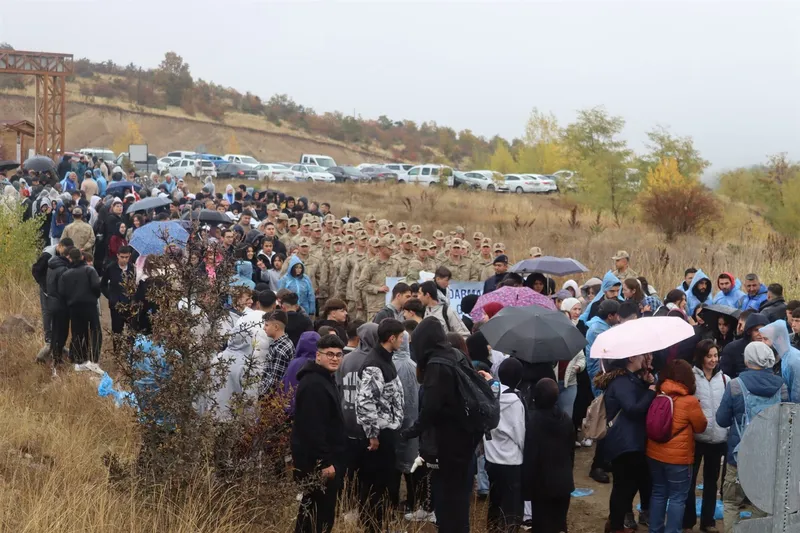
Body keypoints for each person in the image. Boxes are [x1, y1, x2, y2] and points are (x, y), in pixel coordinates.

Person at [403, 317, 484, 533]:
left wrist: (410, 431)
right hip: (465, 438)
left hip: (448, 443)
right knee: (458, 501)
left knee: (446, 501)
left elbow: (431, 408)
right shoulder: (456, 355)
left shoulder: (437, 364)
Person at [716, 342, 788, 532]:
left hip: (738, 456)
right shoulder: (781, 386)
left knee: (731, 502)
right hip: (769, 457)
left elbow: (721, 420)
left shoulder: (735, 385)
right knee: (761, 505)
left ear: (748, 360)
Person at [291, 334, 347, 533]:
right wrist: (324, 462)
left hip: (325, 459)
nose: (334, 358)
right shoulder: (314, 384)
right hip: (318, 463)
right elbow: (312, 428)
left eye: (338, 355)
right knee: (317, 516)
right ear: (318, 356)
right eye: (329, 354)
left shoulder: (324, 379)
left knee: (315, 512)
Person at [595, 354, 656, 533]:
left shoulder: (630, 379)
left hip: (631, 440)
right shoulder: (621, 382)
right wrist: (651, 391)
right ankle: (615, 526)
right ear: (630, 359)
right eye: (640, 355)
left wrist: (645, 383)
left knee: (629, 485)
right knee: (623, 487)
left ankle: (615, 523)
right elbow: (633, 408)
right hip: (623, 442)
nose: (643, 358)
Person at [355, 319, 405, 533]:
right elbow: (365, 401)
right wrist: (373, 435)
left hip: (387, 432)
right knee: (375, 485)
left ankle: (378, 524)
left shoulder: (385, 359)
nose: (403, 341)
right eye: (401, 337)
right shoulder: (375, 363)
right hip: (379, 436)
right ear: (391, 338)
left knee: (383, 484)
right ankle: (371, 526)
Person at [646, 359, 708, 533]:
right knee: (677, 497)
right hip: (679, 458)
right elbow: (701, 427)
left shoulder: (658, 395)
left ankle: (655, 529)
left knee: (658, 492)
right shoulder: (690, 401)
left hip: (654, 453)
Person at [682, 340, 729, 533]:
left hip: (718, 438)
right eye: (709, 356)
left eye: (715, 356)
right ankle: (687, 521)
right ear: (701, 356)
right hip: (696, 437)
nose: (713, 360)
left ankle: (708, 521)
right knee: (689, 481)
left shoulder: (725, 379)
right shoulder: (691, 378)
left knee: (712, 481)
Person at [524, 378, 576, 533]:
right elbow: (571, 451)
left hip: (542, 485)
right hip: (563, 482)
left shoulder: (534, 422)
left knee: (542, 525)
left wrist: (526, 487)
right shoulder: (565, 419)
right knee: (559, 524)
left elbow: (530, 456)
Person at [484, 357, 526, 533]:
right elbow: (520, 434)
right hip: (511, 461)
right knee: (512, 506)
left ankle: (492, 529)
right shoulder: (515, 402)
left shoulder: (490, 395)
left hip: (492, 459)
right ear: (519, 378)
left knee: (495, 500)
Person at [59, 247, 102, 366]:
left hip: (74, 307)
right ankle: (94, 358)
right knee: (95, 331)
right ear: (82, 257)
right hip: (90, 305)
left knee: (78, 333)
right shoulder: (90, 270)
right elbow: (96, 286)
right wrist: (94, 296)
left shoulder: (66, 274)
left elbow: (62, 292)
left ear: (70, 259)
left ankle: (78, 358)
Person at [280, 331, 322, 416]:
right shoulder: (317, 365)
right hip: (308, 412)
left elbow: (283, 384)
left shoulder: (293, 363)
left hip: (288, 408)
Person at [759, 319, 800, 402]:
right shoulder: (784, 357)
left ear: (779, 339)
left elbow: (797, 395)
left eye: (766, 339)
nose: (762, 343)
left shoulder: (794, 360)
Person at [100, 245, 135, 342]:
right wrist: (110, 297)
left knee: (132, 331)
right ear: (117, 256)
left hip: (130, 305)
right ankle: (117, 353)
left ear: (130, 256)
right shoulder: (111, 268)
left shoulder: (132, 268)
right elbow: (103, 285)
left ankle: (131, 353)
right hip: (116, 305)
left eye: (126, 257)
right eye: (122, 257)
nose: (124, 260)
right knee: (117, 331)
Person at [720, 313, 769, 378]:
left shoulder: (769, 348)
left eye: (763, 330)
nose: (760, 334)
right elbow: (725, 376)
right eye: (756, 330)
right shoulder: (732, 349)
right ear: (749, 331)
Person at [260, 310, 295, 395]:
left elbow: (274, 381)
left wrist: (261, 395)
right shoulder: (286, 342)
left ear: (276, 327)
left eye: (267, 325)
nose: (264, 328)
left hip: (272, 399)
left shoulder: (279, 349)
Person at [578, 270, 621, 334]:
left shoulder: (622, 304)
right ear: (605, 290)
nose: (616, 294)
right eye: (612, 291)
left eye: (617, 291)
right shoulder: (596, 306)